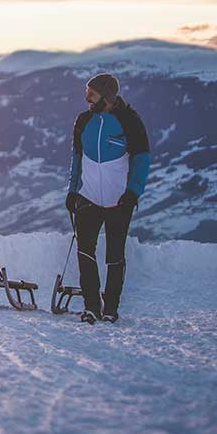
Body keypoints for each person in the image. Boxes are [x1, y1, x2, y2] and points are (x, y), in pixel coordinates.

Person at [66, 74, 150, 324]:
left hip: (119, 200)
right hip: (88, 197)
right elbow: (77, 158)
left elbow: (141, 159)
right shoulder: (83, 121)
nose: (87, 98)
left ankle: (111, 308)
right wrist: (72, 191)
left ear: (107, 96)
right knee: (85, 252)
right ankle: (92, 306)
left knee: (114, 256)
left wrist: (133, 192)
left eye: (92, 94)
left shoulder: (130, 121)